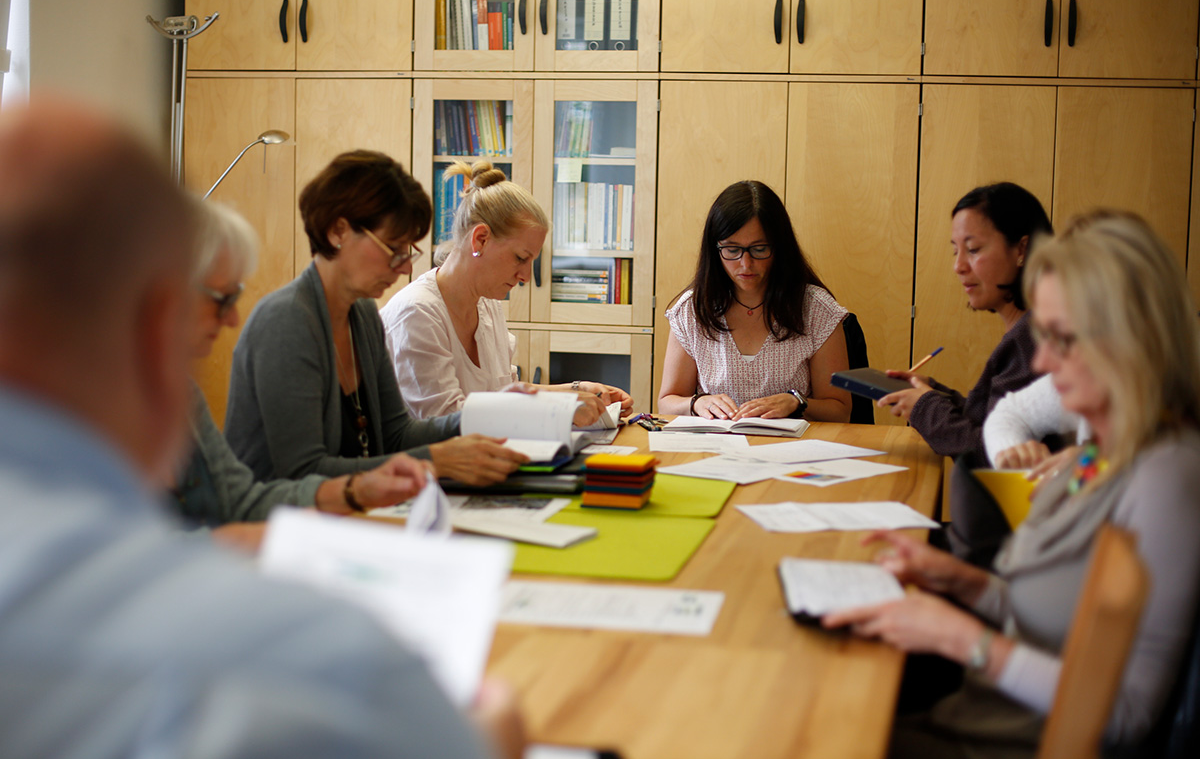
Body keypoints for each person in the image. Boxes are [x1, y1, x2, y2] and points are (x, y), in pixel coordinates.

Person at [0, 99, 517, 759]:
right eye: (218, 299)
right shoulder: (332, 670)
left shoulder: (359, 321)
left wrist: (476, 425)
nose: (232, 319)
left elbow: (256, 489)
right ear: (156, 320)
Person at [825, 211, 1200, 759]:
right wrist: (961, 582)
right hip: (977, 732)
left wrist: (960, 639)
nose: (1043, 363)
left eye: (1062, 340)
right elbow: (1055, 622)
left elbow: (1126, 714)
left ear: (1135, 338)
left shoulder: (1167, 478)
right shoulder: (1097, 452)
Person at [224, 150, 528, 487]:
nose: (405, 267)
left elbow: (395, 433)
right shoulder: (285, 322)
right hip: (276, 528)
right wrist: (437, 459)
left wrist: (491, 412)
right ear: (338, 231)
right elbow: (303, 472)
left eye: (408, 251)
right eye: (393, 249)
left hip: (349, 514)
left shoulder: (362, 313)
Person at [176, 200, 433, 551]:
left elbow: (241, 501)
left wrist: (355, 491)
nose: (233, 319)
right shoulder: (286, 321)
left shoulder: (178, 392)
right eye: (223, 299)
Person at [380, 160, 633, 422]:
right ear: (481, 239)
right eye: (520, 258)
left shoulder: (486, 305)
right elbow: (446, 421)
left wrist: (578, 390)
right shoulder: (416, 313)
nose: (525, 276)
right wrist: (563, 408)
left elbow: (504, 395)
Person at [879, 182, 1052, 466]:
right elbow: (992, 421)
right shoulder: (1024, 333)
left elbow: (995, 454)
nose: (958, 266)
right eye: (955, 251)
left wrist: (925, 406)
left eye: (973, 249)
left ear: (1022, 249)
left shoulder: (1034, 342)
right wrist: (934, 393)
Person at [658, 180, 852, 422]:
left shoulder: (816, 309)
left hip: (791, 452)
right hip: (715, 450)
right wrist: (698, 402)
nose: (745, 264)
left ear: (779, 247)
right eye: (731, 250)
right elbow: (667, 403)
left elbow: (840, 410)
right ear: (715, 249)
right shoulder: (692, 310)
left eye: (759, 249)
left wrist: (796, 402)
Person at [983, 373, 1091, 469]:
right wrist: (1014, 452)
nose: (1040, 363)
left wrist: (1091, 459)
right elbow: (1009, 413)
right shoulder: (1083, 374)